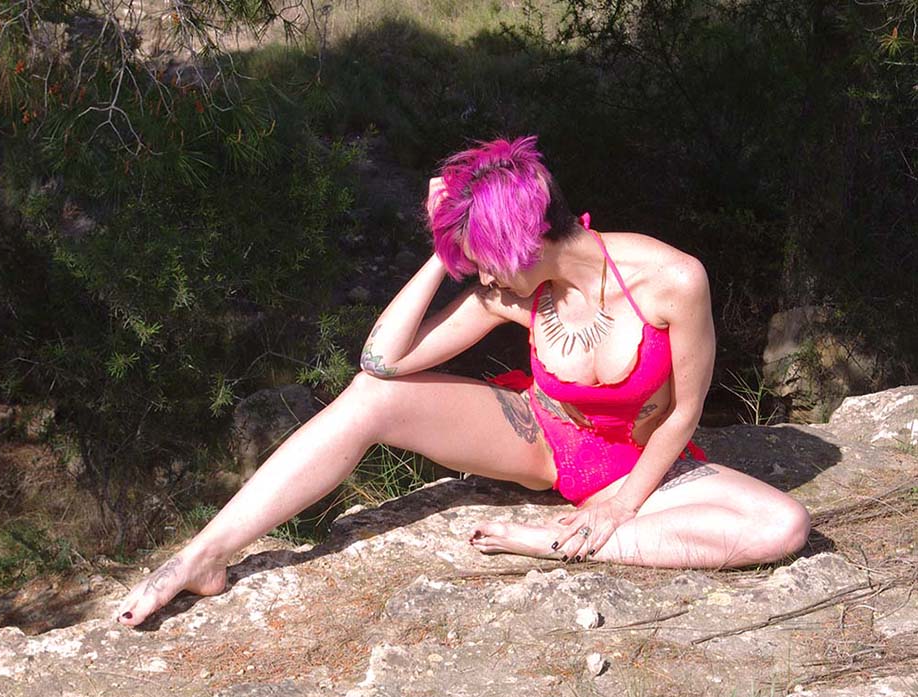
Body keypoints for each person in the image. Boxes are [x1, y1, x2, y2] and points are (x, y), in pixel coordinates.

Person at [116, 136, 810, 627]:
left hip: (640, 472)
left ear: (524, 242)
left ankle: (555, 542)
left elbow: (684, 412)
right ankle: (202, 555)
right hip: (543, 443)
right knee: (372, 399)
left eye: (481, 258)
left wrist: (619, 508)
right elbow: (382, 362)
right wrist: (440, 246)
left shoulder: (675, 280)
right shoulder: (513, 291)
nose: (478, 276)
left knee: (783, 525)